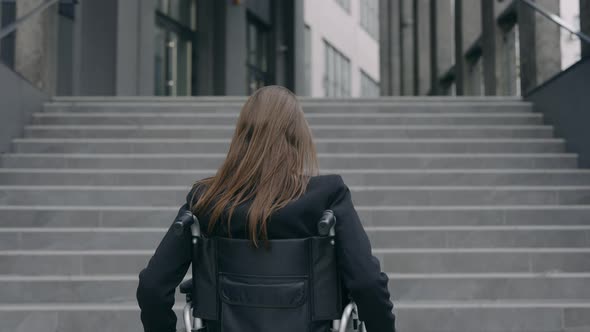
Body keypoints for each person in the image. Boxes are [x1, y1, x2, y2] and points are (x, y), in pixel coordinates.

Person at [136, 85, 396, 332]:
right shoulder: (327, 196)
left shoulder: (206, 200)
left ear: (242, 136)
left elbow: (152, 287)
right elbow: (367, 283)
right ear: (298, 136)